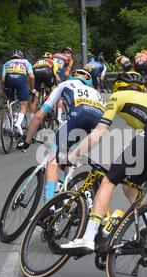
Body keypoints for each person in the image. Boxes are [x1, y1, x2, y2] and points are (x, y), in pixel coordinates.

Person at [60, 71, 147, 254]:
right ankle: (145, 230)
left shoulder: (117, 96)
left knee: (109, 180)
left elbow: (97, 134)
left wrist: (73, 156)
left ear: (118, 86)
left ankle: (87, 238)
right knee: (130, 186)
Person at [17, 69, 106, 204]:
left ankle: (49, 205)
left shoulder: (65, 84)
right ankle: (65, 194)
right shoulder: (96, 93)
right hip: (97, 126)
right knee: (70, 158)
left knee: (52, 161)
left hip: (77, 118)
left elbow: (39, 115)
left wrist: (27, 141)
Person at [1, 50, 35, 136]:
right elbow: (31, 76)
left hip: (9, 80)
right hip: (21, 80)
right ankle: (18, 123)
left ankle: (8, 124)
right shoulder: (25, 62)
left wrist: (5, 88)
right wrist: (32, 89)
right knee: (24, 104)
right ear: (22, 56)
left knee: (10, 101)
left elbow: (2, 79)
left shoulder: (7, 63)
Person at [30, 52, 61, 118]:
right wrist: (59, 87)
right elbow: (57, 76)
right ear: (51, 58)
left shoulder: (37, 62)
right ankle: (50, 110)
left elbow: (31, 77)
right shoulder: (53, 61)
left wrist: (32, 89)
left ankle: (32, 118)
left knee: (35, 98)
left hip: (36, 72)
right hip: (47, 72)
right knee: (52, 92)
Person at [52, 47, 74, 123]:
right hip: (58, 72)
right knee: (60, 94)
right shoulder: (69, 58)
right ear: (70, 54)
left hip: (49, 71)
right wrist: (66, 82)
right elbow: (66, 73)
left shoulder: (55, 55)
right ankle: (59, 117)